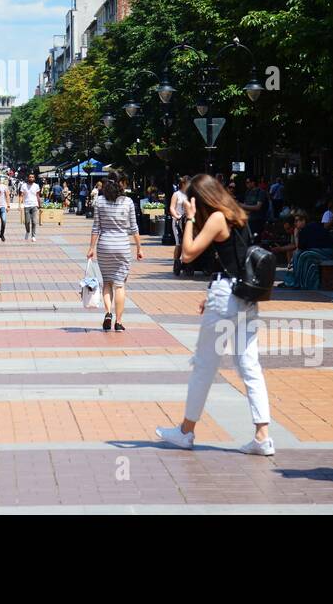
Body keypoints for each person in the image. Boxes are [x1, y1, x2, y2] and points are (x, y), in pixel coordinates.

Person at [157, 174, 274, 456]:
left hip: (225, 296)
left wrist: (188, 219)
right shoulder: (238, 216)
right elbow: (237, 261)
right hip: (244, 296)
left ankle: (186, 431)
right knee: (249, 364)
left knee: (204, 365)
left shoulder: (216, 219)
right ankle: (262, 436)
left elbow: (187, 254)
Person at [86, 173, 143, 332]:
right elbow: (134, 228)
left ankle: (108, 313)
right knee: (119, 285)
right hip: (122, 246)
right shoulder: (128, 202)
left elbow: (96, 227)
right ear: (121, 183)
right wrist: (139, 248)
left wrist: (91, 248)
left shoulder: (99, 201)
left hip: (104, 246)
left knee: (107, 283)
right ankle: (118, 322)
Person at [170, 176, 190, 276]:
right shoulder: (176, 194)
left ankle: (188, 262)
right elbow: (172, 208)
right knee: (179, 243)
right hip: (178, 221)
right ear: (183, 184)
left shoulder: (190, 194)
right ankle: (176, 262)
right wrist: (177, 216)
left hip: (188, 221)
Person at [20, 173, 41, 242]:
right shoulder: (24, 186)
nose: (31, 178)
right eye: (30, 177)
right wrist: (20, 204)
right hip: (27, 205)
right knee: (27, 222)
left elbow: (38, 195)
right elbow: (21, 195)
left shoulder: (36, 186)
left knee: (34, 222)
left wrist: (39, 204)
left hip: (34, 205)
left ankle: (33, 236)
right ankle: (27, 231)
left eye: (32, 177)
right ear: (28, 178)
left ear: (34, 178)